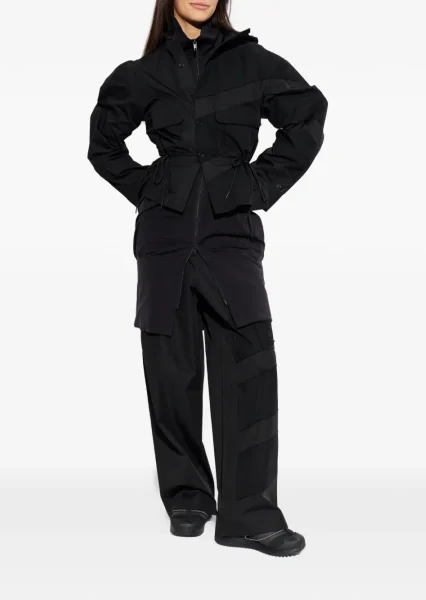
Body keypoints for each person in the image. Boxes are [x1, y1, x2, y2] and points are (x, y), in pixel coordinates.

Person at [87, 0, 328, 558]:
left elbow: (307, 114)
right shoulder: (142, 73)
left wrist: (257, 185)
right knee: (169, 370)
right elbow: (103, 145)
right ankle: (188, 497)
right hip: (164, 239)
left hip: (230, 235)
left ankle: (250, 515)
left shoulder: (253, 62)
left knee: (249, 365)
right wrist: (151, 189)